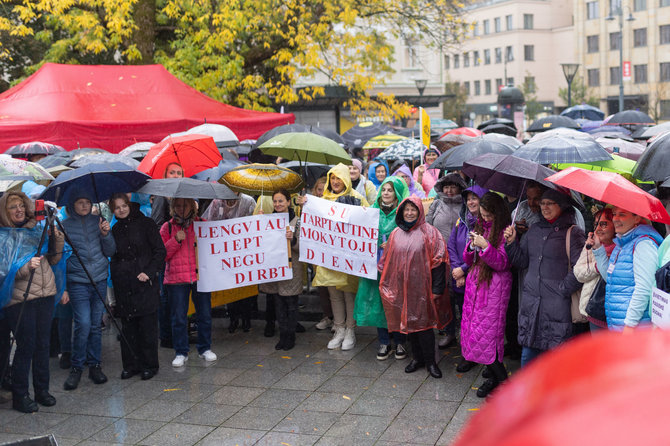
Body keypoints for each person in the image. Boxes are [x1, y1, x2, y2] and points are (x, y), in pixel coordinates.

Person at [504, 189, 586, 366]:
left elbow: (581, 268)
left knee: (555, 360)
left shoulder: (573, 233)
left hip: (557, 307)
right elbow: (522, 261)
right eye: (543, 203)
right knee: (528, 359)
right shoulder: (534, 230)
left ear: (562, 206)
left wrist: (562, 289)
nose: (544, 207)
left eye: (550, 203)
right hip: (532, 303)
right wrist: (511, 243)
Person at [0, 192, 64, 412]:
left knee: (43, 345)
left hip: (45, 294)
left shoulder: (36, 229)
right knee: (26, 346)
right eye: (12, 207)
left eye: (21, 205)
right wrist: (26, 267)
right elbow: (3, 271)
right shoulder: (3, 236)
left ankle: (42, 390)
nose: (18, 210)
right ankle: (20, 395)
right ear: (4, 212)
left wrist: (53, 227)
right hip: (20, 299)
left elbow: (55, 257)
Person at [379, 196, 449, 378]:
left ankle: (431, 362)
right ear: (401, 211)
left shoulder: (430, 233)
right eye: (406, 209)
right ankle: (417, 359)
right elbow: (387, 261)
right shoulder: (395, 234)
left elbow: (439, 261)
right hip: (402, 289)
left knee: (425, 327)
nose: (409, 213)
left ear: (419, 211)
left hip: (423, 290)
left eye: (413, 209)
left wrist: (436, 289)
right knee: (410, 326)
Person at [61, 189, 116, 390]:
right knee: (82, 323)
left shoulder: (98, 222)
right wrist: (63, 288)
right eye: (80, 202)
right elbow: (59, 258)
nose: (84, 206)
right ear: (72, 205)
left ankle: (95, 365)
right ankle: (77, 367)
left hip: (99, 279)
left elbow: (110, 251)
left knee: (94, 324)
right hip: (77, 281)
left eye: (87, 202)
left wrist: (105, 234)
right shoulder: (64, 226)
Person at [312, 163, 369, 350]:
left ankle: (350, 330)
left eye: (339, 178)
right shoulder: (322, 199)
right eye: (332, 178)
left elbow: (367, 222)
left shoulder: (357, 198)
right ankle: (339, 329)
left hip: (348, 256)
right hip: (329, 256)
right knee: (334, 294)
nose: (335, 182)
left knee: (348, 293)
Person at [461, 192, 513, 397]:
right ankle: (493, 376)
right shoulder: (480, 227)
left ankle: (502, 380)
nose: (485, 219)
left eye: (489, 216)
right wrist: (472, 246)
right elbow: (468, 259)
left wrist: (486, 246)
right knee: (475, 332)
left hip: (494, 289)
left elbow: (502, 263)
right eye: (482, 215)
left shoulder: (506, 232)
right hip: (476, 284)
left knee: (489, 336)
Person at [109, 194, 166, 381]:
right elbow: (113, 254)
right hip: (124, 283)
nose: (121, 210)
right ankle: (131, 365)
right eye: (117, 208)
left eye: (123, 206)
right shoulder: (115, 229)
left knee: (147, 326)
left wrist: (149, 272)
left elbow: (159, 251)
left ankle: (149, 364)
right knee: (128, 327)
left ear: (130, 205)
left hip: (144, 281)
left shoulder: (146, 223)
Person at [354, 176, 409, 360]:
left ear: (397, 194)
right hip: (374, 268)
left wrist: (394, 244)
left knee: (397, 304)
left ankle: (400, 341)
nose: (385, 193)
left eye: (390, 190)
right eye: (384, 189)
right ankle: (384, 341)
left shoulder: (404, 213)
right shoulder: (370, 211)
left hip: (397, 269)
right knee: (379, 304)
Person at [161, 198, 216, 367]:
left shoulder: (203, 225)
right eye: (177, 206)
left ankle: (204, 348)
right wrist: (175, 240)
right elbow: (162, 255)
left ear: (192, 207)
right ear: (172, 208)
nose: (181, 209)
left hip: (200, 277)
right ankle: (180, 351)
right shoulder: (167, 227)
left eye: (185, 205)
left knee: (204, 315)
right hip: (177, 279)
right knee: (178, 317)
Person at [589, 207, 662, 332]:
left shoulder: (643, 244)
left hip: (635, 330)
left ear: (637, 218)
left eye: (622, 215)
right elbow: (611, 279)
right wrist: (598, 249)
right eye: (614, 214)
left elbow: (644, 288)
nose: (615, 219)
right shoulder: (622, 243)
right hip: (620, 325)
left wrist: (630, 325)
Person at [446, 184, 488, 372]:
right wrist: (457, 270)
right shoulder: (461, 221)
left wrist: (463, 269)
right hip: (459, 279)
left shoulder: (486, 223)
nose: (471, 202)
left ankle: (480, 353)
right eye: (468, 198)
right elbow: (451, 245)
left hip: (477, 279)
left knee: (477, 319)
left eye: (475, 198)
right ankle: (466, 353)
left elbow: (482, 253)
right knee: (464, 317)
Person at [203, 193, 256, 333]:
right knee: (228, 286)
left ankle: (246, 319)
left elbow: (256, 225)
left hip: (244, 252)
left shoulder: (249, 201)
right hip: (224, 253)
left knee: (244, 286)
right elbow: (209, 223)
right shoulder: (216, 202)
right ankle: (233, 318)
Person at [426, 172, 466, 348]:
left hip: (461, 259)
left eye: (453, 186)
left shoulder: (466, 205)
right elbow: (427, 228)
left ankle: (466, 334)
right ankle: (449, 332)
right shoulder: (436, 204)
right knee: (445, 298)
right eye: (446, 187)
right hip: (440, 260)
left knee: (463, 298)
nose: (449, 190)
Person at [259, 190, 302, 350]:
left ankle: (290, 336)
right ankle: (283, 335)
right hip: (276, 269)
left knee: (291, 304)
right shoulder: (267, 220)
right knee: (278, 304)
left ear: (289, 202)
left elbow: (303, 246)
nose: (277, 204)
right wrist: (259, 224)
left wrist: (293, 240)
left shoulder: (297, 221)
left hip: (292, 269)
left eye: (281, 201)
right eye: (275, 201)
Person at [151, 162, 184, 350]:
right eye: (172, 172)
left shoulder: (181, 196)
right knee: (165, 296)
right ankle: (165, 335)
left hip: (180, 252)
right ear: (165, 174)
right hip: (166, 252)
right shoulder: (162, 196)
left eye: (179, 172)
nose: (176, 175)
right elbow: (156, 224)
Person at [574, 208, 615, 332]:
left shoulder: (621, 248)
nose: (598, 229)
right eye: (596, 224)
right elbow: (578, 273)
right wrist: (597, 267)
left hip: (612, 312)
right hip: (594, 311)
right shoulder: (592, 245)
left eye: (603, 224)